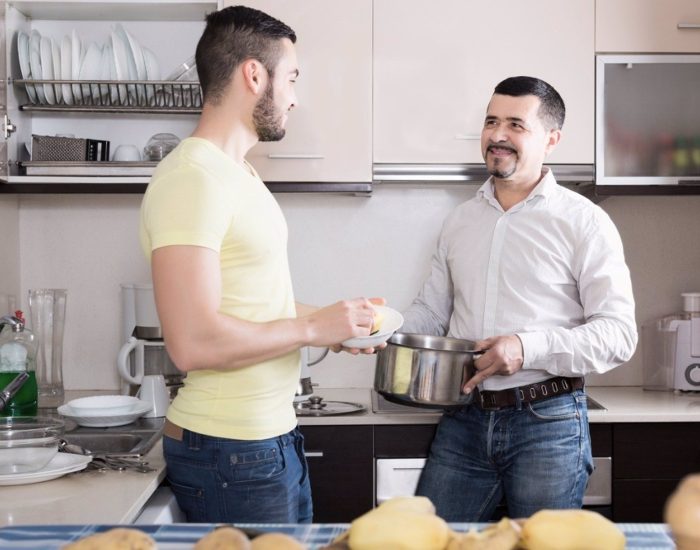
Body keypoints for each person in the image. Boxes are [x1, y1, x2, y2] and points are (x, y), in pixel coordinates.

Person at [139, 5, 381, 524]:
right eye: (291, 78)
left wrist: (335, 326)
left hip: (265, 440)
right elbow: (193, 342)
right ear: (254, 74)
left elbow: (253, 303)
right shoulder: (191, 178)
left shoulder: (239, 175)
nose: (294, 96)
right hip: (229, 449)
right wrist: (312, 326)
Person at [404, 76, 637, 521]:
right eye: (491, 121)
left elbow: (618, 335)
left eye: (516, 124)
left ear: (551, 139)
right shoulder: (461, 221)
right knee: (431, 540)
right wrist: (381, 327)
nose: (498, 135)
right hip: (465, 419)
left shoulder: (585, 222)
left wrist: (526, 346)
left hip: (548, 423)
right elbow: (432, 313)